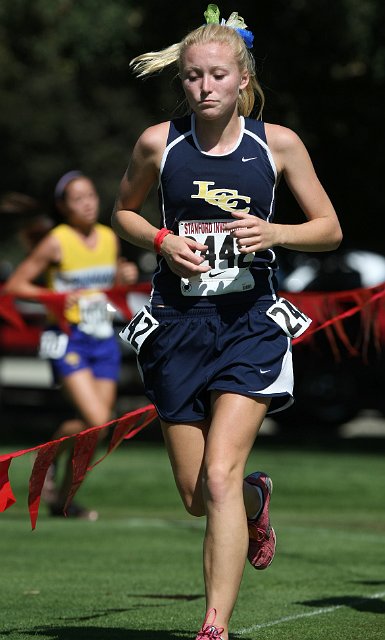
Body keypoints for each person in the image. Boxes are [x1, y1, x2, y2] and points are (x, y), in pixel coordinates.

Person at [111, 5, 343, 639]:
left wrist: (278, 232)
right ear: (181, 82)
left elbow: (329, 229)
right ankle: (255, 502)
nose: (204, 86)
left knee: (219, 473)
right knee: (198, 495)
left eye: (216, 75)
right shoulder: (159, 143)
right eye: (191, 77)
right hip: (177, 328)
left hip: (249, 325)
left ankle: (213, 627)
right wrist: (159, 240)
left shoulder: (278, 144)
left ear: (243, 79)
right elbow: (122, 214)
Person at [4, 171, 139, 520]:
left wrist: (123, 277)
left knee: (100, 426)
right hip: (66, 337)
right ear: (64, 206)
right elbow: (16, 286)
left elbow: (108, 288)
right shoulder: (57, 241)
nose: (88, 203)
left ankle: (62, 501)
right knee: (96, 419)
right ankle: (48, 458)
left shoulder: (110, 238)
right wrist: (54, 297)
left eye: (91, 195)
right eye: (78, 198)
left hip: (102, 337)